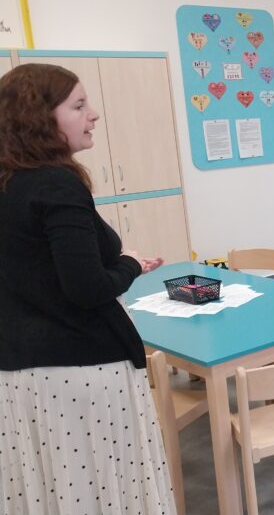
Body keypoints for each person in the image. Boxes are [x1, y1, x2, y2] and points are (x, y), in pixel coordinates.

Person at [0, 63, 175, 512]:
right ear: (39, 119)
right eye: (78, 106)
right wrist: (129, 263)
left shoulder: (9, 183)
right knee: (101, 493)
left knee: (51, 492)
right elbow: (87, 288)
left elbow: (33, 270)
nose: (93, 114)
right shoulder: (57, 183)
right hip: (80, 373)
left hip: (18, 373)